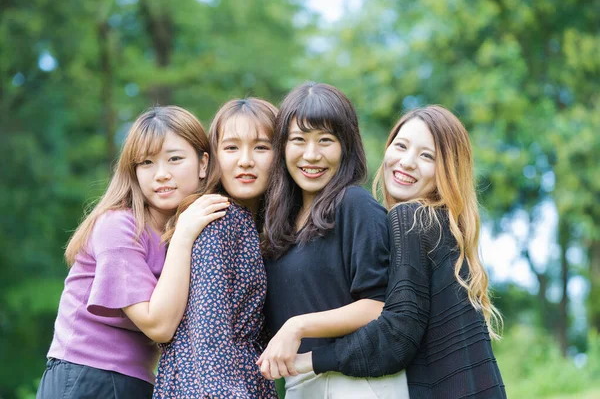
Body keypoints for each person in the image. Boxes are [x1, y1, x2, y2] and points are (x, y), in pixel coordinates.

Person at [294, 105, 507, 398]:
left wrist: (307, 360)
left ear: (448, 169)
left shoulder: (411, 218)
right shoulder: (443, 223)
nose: (407, 162)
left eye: (427, 156)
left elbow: (397, 334)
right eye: (401, 146)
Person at [37, 106, 230, 398]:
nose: (161, 174)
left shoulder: (195, 230)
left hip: (137, 381)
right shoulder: (118, 227)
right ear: (134, 171)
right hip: (86, 376)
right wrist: (184, 235)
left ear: (203, 163)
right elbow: (159, 325)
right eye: (147, 163)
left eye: (175, 159)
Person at [259, 82, 408, 398]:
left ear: (346, 147)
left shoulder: (355, 206)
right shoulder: (277, 222)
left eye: (325, 141)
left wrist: (298, 326)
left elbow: (379, 306)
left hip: (358, 384)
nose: (311, 155)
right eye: (298, 140)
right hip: (302, 383)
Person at [153, 98, 279, 398]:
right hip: (212, 385)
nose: (245, 160)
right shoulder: (217, 218)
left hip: (243, 379)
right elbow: (208, 333)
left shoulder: (256, 225)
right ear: (211, 159)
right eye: (232, 148)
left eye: (261, 147)